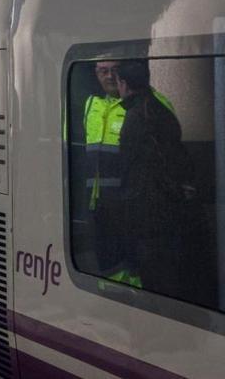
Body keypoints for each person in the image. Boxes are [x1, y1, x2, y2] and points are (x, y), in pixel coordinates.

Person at [81, 60, 172, 278]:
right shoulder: (91, 105)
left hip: (135, 204)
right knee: (108, 263)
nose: (110, 76)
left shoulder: (152, 103)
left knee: (137, 264)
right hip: (100, 203)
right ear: (96, 73)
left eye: (115, 70)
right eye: (103, 71)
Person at [114, 59, 193, 295]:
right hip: (171, 207)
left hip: (146, 213)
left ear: (124, 84)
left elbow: (128, 169)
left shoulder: (136, 117)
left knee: (153, 277)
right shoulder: (163, 112)